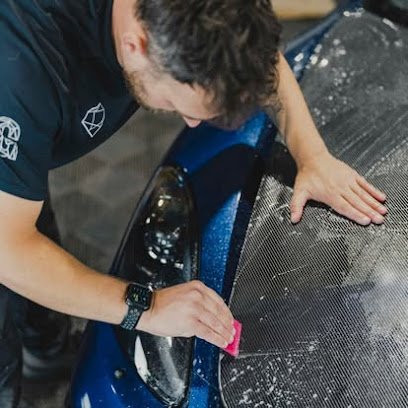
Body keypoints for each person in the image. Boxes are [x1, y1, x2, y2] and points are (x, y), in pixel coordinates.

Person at [0, 0, 388, 405]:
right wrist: (146, 307)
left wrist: (312, 154)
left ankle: (47, 354)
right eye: (179, 107)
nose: (191, 123)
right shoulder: (20, 64)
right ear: (135, 46)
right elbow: (9, 250)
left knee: (27, 217)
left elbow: (251, 54)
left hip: (26, 139)